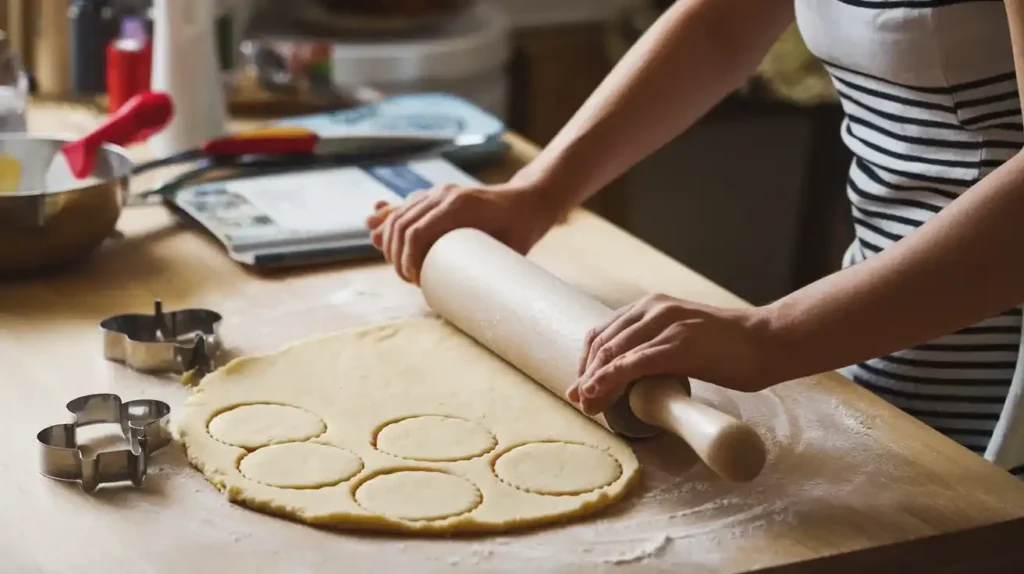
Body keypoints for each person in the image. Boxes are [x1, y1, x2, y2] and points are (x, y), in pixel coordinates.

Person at [365, 0, 1024, 475]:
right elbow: (721, 24)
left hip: (1006, 401)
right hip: (886, 349)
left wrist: (769, 338)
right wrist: (540, 193)